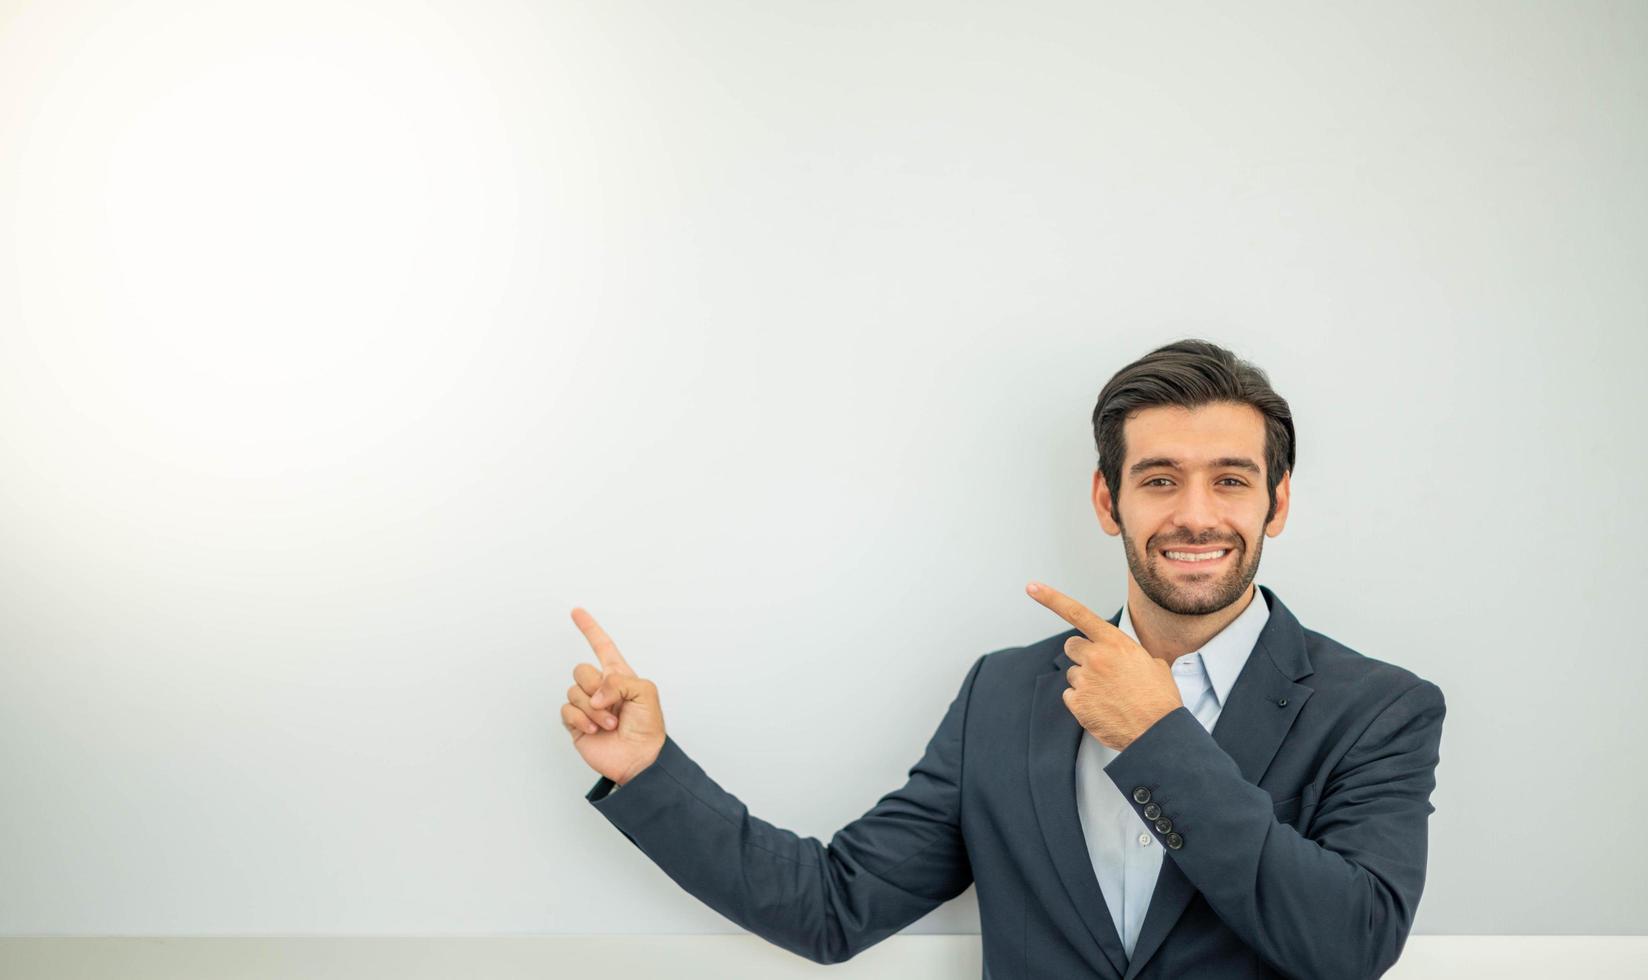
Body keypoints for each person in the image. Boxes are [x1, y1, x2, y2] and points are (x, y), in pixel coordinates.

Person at [561, 338, 1446, 979]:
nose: (1195, 515)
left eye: (1231, 479)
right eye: (1160, 479)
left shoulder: (1377, 708)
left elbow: (1349, 944)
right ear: (1109, 499)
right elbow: (835, 907)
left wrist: (1156, 734)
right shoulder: (1007, 692)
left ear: (1276, 503)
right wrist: (648, 772)